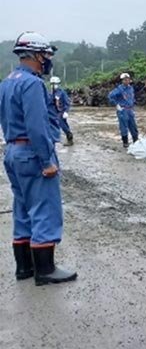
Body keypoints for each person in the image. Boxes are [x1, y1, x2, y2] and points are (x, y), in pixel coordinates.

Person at [0, 31, 77, 285]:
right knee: (44, 208)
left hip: (13, 151)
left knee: (23, 208)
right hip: (33, 153)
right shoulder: (32, 84)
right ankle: (45, 270)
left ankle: (24, 268)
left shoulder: (8, 81)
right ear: (34, 54)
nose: (48, 59)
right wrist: (47, 161)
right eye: (46, 54)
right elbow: (37, 126)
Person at [108, 73, 139, 148]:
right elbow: (110, 96)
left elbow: (131, 98)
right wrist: (116, 104)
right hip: (122, 110)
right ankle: (125, 142)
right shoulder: (119, 89)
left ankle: (136, 141)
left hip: (130, 110)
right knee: (123, 126)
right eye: (125, 79)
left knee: (133, 126)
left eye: (127, 79)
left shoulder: (130, 88)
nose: (126, 81)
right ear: (122, 81)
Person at [49, 76, 74, 146]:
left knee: (63, 125)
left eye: (55, 84)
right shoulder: (51, 93)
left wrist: (66, 111)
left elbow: (67, 102)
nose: (54, 86)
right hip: (54, 113)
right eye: (53, 84)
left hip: (61, 112)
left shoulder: (62, 92)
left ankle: (70, 139)